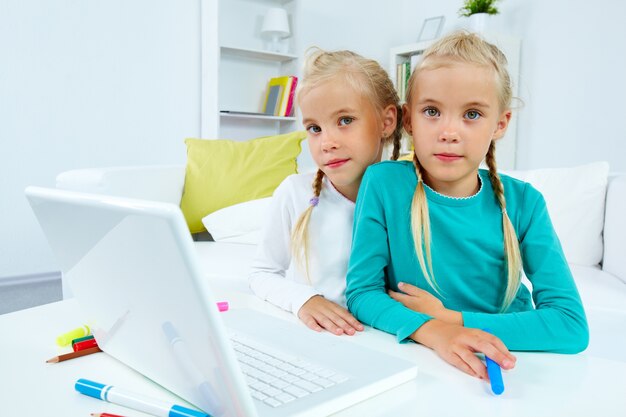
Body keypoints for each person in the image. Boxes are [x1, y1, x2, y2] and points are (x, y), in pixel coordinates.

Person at [345, 31, 589, 379]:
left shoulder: (526, 203)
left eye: (472, 114)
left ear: (500, 124)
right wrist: (436, 332)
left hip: (508, 362)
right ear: (409, 119)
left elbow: (570, 326)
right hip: (426, 360)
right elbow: (363, 293)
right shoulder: (384, 184)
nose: (449, 131)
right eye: (432, 111)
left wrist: (452, 319)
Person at [249, 48, 403, 336]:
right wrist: (303, 300)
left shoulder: (408, 197)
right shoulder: (295, 193)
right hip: (316, 338)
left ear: (386, 122)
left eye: (345, 120)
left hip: (385, 338)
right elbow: (262, 273)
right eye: (314, 128)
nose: (326, 142)